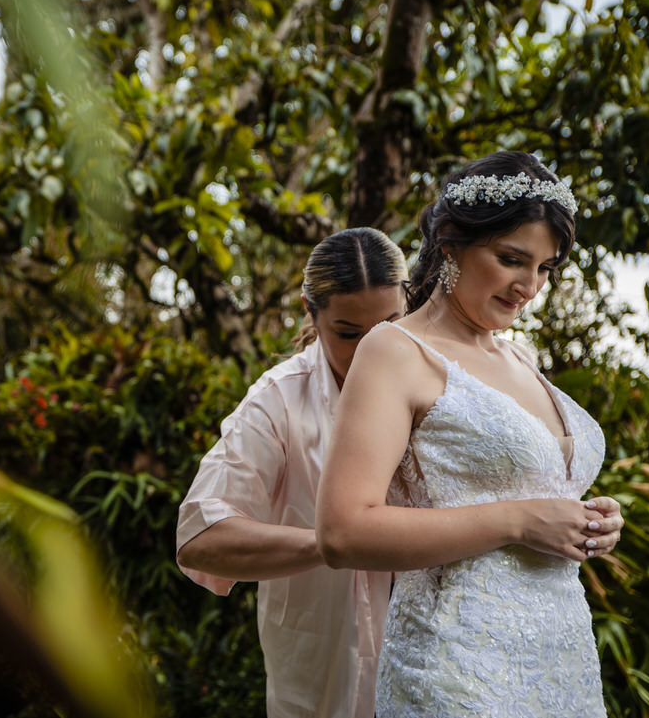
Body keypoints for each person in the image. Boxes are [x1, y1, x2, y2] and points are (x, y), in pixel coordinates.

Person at [176, 225, 621, 718]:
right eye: (350, 334)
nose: (372, 345)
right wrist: (335, 540)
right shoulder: (278, 400)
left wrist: (581, 519)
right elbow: (201, 539)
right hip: (327, 685)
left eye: (388, 323)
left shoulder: (459, 381)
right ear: (311, 313)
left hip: (465, 668)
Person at [315, 151, 620, 716]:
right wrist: (520, 521)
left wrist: (590, 523)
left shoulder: (520, 357)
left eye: (546, 268)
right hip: (456, 670)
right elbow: (342, 531)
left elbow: (537, 492)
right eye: (511, 259)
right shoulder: (395, 351)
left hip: (560, 661)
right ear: (451, 244)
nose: (529, 285)